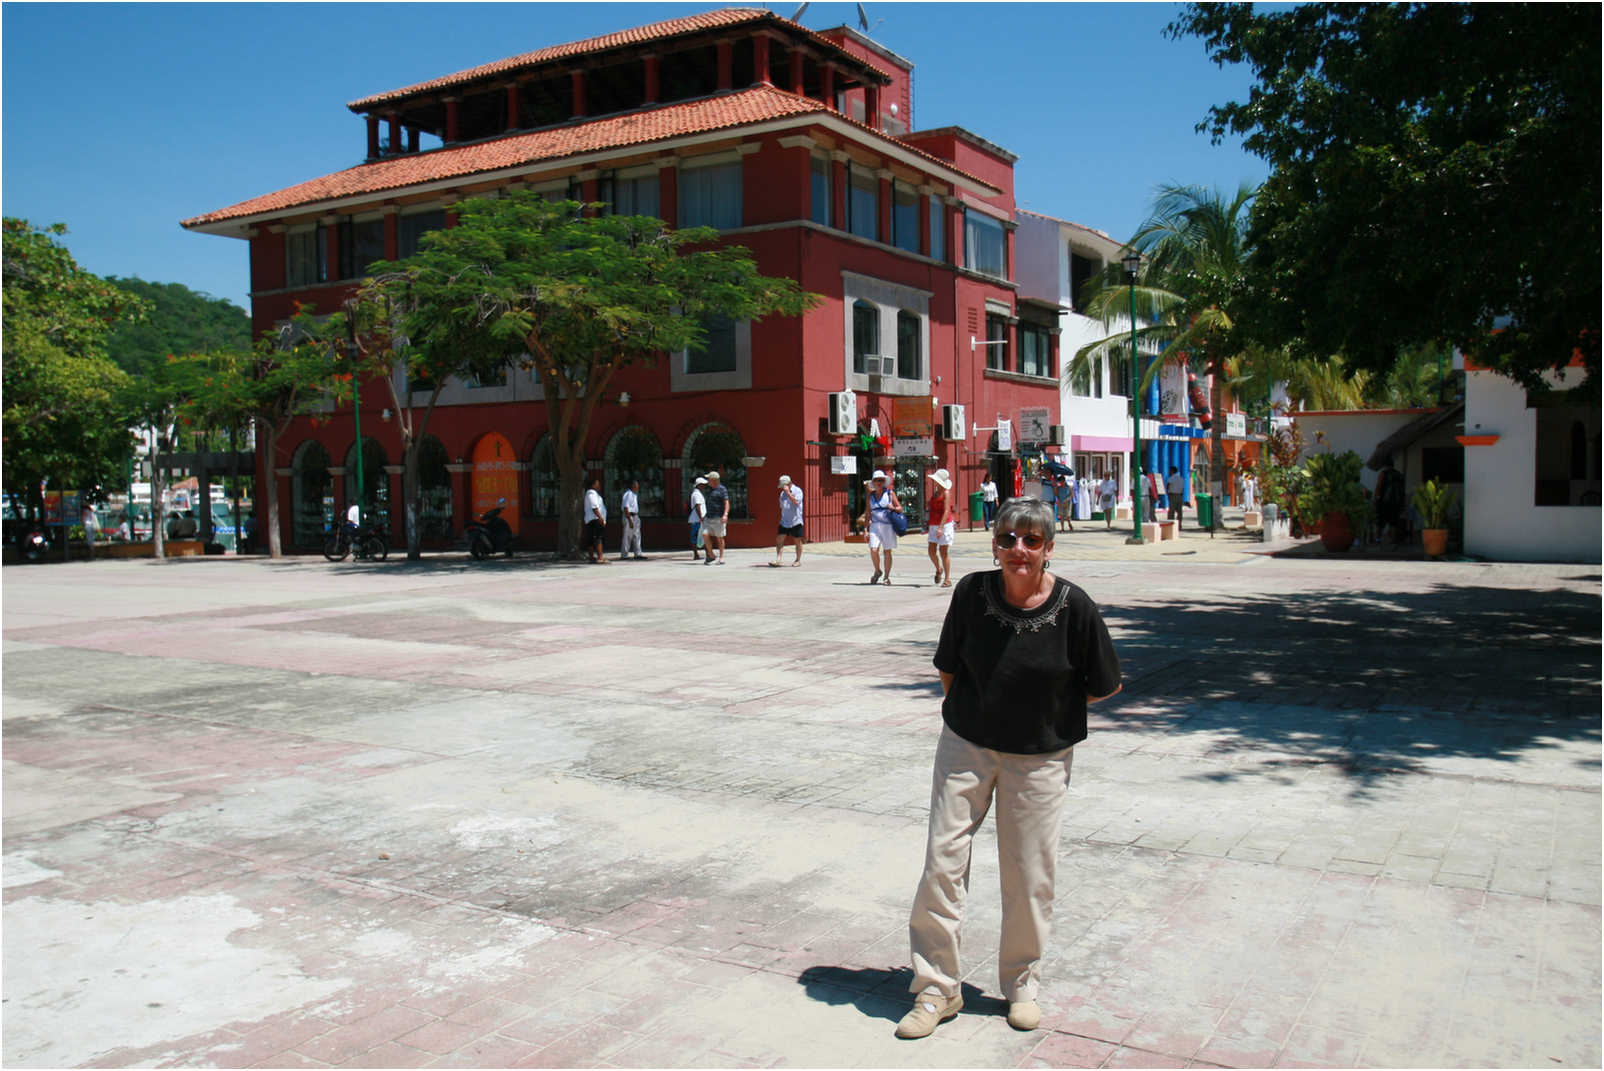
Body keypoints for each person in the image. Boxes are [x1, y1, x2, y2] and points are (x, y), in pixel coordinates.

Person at [896, 497, 1122, 1040]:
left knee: (1029, 873)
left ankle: (1021, 984)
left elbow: (1104, 685)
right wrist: (981, 719)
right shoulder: (971, 594)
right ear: (994, 544)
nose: (1017, 550)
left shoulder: (1075, 607)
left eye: (1031, 541)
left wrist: (1039, 723)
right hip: (967, 748)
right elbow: (949, 670)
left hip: (1040, 759)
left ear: (1048, 548)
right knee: (942, 862)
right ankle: (937, 988)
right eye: (1006, 539)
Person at [862, 469, 902, 585]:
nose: (879, 482)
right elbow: (868, 513)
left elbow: (900, 508)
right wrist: (865, 530)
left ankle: (886, 577)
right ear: (873, 482)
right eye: (876, 480)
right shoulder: (870, 496)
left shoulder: (890, 493)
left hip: (888, 526)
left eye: (881, 480)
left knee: (887, 552)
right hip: (875, 526)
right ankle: (878, 570)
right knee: (873, 549)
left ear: (884, 481)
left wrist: (893, 508)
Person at [925, 468, 955, 587]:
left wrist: (941, 527)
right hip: (933, 523)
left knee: (943, 552)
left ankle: (947, 579)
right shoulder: (935, 493)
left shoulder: (946, 493)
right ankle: (939, 568)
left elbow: (947, 510)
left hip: (945, 524)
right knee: (931, 551)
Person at [772, 475, 804, 566]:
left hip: (795, 520)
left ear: (788, 483)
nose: (782, 488)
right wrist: (785, 492)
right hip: (784, 520)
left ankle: (798, 560)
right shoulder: (782, 493)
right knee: (779, 539)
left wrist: (789, 493)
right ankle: (778, 559)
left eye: (783, 486)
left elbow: (797, 502)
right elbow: (782, 506)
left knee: (797, 541)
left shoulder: (798, 491)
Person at [1374, 456, 1405, 545]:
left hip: (1384, 501)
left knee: (1380, 521)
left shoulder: (1383, 474)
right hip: (1396, 502)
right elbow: (1402, 490)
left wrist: (1375, 499)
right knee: (1393, 522)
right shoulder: (1399, 475)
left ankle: (1378, 539)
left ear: (1384, 465)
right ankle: (1393, 540)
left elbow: (1378, 487)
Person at [702, 471, 729, 565]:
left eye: (709, 478)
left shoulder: (722, 489)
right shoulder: (708, 489)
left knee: (719, 537)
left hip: (718, 517)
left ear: (714, 480)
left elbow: (726, 502)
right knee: (705, 534)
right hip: (708, 517)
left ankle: (721, 557)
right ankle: (711, 554)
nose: (707, 480)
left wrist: (725, 514)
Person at [584, 476, 609, 564]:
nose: (599, 485)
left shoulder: (594, 494)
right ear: (593, 485)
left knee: (591, 539)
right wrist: (600, 518)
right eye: (597, 484)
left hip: (594, 519)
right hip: (595, 519)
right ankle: (600, 557)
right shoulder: (591, 494)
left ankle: (592, 557)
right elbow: (594, 507)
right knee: (598, 538)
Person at [620, 478, 644, 560]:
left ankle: (638, 553)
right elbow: (626, 508)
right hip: (629, 516)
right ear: (633, 486)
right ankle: (624, 555)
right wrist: (629, 520)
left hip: (635, 516)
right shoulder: (628, 494)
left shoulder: (634, 495)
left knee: (637, 535)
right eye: (637, 485)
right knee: (627, 536)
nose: (638, 487)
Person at [688, 476, 708, 560]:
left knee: (701, 536)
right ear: (699, 485)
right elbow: (697, 506)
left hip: (698, 519)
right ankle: (697, 554)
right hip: (697, 519)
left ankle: (707, 553)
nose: (704, 486)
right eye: (703, 485)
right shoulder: (696, 494)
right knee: (698, 536)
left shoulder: (698, 493)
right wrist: (701, 518)